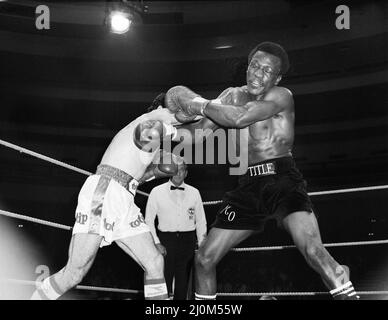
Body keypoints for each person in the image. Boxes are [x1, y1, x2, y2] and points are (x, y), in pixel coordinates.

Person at [164, 42, 360, 300]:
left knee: (313, 250)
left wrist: (196, 101)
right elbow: (197, 135)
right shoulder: (231, 95)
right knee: (204, 259)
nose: (257, 73)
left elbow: (239, 118)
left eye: (267, 71)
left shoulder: (281, 95)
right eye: (254, 66)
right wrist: (163, 133)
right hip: (246, 188)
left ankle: (343, 287)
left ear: (277, 77)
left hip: (282, 181)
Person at [30, 97, 188, 300]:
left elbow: (140, 177)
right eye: (172, 110)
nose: (176, 115)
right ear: (159, 107)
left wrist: (161, 169)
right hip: (105, 191)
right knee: (74, 273)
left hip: (123, 198)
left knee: (155, 263)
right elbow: (178, 119)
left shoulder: (150, 143)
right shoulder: (151, 117)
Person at [145, 161, 207, 300]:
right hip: (165, 240)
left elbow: (201, 221)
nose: (179, 173)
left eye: (182, 170)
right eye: (176, 170)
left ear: (186, 173)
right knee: (164, 277)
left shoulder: (194, 192)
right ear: (170, 171)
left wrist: (202, 244)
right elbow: (148, 220)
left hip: (188, 240)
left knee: (183, 280)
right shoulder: (157, 191)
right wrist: (156, 242)